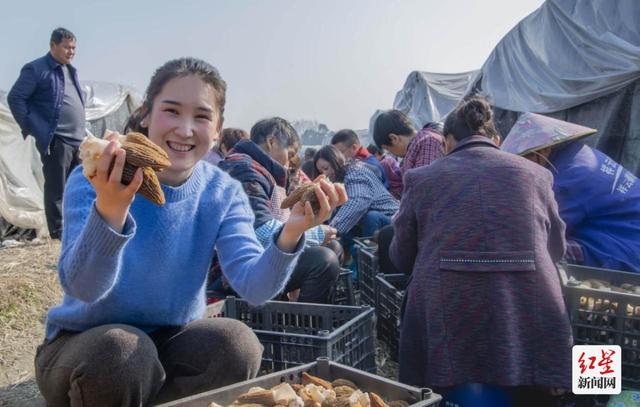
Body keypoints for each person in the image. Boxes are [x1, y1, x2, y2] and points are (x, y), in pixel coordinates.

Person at [34, 58, 346, 406]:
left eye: (201, 116)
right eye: (171, 111)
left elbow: (254, 286)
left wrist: (292, 231)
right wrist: (110, 209)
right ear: (146, 116)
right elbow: (84, 288)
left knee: (237, 344)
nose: (185, 130)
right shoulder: (95, 177)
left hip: (168, 339)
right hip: (85, 343)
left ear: (217, 129)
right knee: (122, 354)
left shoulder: (220, 192)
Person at [391, 97, 572, 402]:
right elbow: (557, 249)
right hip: (531, 313)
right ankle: (582, 394)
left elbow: (402, 257)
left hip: (446, 316)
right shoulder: (538, 175)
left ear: (446, 142)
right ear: (497, 141)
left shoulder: (420, 179)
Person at [218, 118, 342, 303]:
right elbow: (259, 233)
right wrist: (315, 233)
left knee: (332, 247)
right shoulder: (243, 168)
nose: (290, 162)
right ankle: (304, 327)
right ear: (272, 141)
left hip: (260, 260)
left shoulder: (261, 170)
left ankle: (297, 314)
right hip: (234, 270)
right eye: (289, 153)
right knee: (323, 261)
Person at [502, 112, 640, 274]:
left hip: (624, 251)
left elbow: (541, 229)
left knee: (537, 251)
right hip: (617, 236)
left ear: (543, 150)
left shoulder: (569, 177)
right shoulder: (578, 156)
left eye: (523, 159)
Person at [7, 27, 85, 239]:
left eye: (74, 48)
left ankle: (75, 229)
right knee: (57, 189)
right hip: (56, 139)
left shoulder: (70, 70)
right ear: (53, 46)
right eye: (67, 47)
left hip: (77, 141)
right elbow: (15, 98)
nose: (71, 52)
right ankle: (59, 233)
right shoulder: (37, 69)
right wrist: (33, 127)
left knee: (76, 189)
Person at [314, 145, 398, 239]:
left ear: (336, 162)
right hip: (366, 222)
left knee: (371, 217)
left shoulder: (355, 172)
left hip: (391, 220)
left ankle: (368, 252)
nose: (324, 174)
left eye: (326, 168)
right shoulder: (338, 180)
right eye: (320, 172)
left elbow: (356, 202)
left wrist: (329, 231)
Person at [372, 110, 445, 195]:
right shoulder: (413, 151)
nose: (391, 154)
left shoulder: (427, 142)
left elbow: (422, 189)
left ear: (394, 138)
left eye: (388, 149)